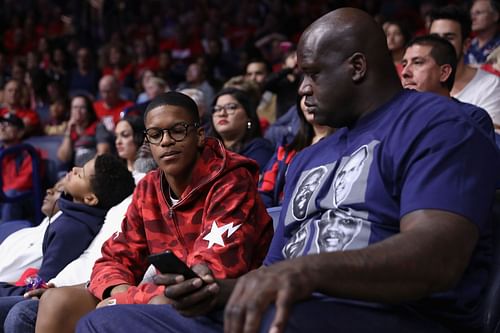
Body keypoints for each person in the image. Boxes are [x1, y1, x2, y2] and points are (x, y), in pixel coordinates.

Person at [75, 8, 498, 333]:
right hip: (292, 311)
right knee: (103, 323)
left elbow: (437, 257)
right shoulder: (308, 157)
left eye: (312, 74)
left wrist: (304, 272)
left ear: (357, 67)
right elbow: (274, 268)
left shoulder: (441, 123)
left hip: (393, 315)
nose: (302, 89)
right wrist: (215, 291)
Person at [32, 91, 273, 333]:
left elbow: (210, 276)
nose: (166, 141)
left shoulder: (232, 181)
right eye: (156, 135)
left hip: (227, 303)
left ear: (200, 135)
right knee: (56, 302)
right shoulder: (148, 187)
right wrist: (118, 292)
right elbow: (114, 257)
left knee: (153, 307)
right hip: (160, 295)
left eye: (178, 130)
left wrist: (124, 301)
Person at [1, 149, 158, 333]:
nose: (74, 169)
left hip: (60, 293)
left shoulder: (73, 228)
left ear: (90, 198)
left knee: (22, 313)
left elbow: (41, 283)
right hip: (78, 286)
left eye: (80, 174)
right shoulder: (69, 214)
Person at [401, 34, 495, 139]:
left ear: (444, 73)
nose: (405, 72)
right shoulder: (394, 117)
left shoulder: (472, 118)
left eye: (417, 62)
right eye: (404, 64)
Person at [429, 5, 500, 131]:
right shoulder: (417, 85)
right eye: (434, 38)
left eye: (449, 38)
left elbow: (491, 139)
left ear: (466, 44)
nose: (439, 44)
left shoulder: (490, 85)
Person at [259, 95, 334, 208]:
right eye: (304, 95)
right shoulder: (287, 148)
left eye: (313, 93)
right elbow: (264, 190)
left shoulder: (344, 145)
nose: (307, 101)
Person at [0, 180, 64, 275]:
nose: (49, 191)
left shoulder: (54, 239)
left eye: (60, 191)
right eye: (52, 187)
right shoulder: (26, 232)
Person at [209, 87, 274, 171]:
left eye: (231, 107)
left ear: (248, 116)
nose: (222, 113)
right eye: (217, 109)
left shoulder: (260, 149)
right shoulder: (206, 151)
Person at [0, 114, 43, 223]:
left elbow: (25, 182)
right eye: (1, 124)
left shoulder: (30, 152)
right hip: (5, 197)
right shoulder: (2, 153)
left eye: (7, 124)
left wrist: (2, 194)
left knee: (10, 195)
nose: (2, 127)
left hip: (27, 198)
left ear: (20, 132)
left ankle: (5, 237)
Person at [57, 95, 111, 167]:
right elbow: (64, 158)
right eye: (75, 107)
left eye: (82, 107)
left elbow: (103, 153)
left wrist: (88, 171)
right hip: (75, 172)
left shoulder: (98, 127)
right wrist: (68, 132)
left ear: (89, 111)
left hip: (94, 170)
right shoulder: (70, 130)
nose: (78, 111)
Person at [465, 0, 500, 65]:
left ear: (495, 16)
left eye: (478, 13)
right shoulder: (467, 45)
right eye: (471, 14)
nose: (472, 18)